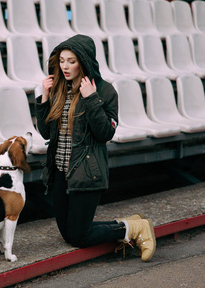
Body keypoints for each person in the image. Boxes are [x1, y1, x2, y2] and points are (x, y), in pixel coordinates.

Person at [36, 34, 156, 262]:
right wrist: (45, 97)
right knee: (68, 235)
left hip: (86, 173)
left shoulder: (104, 91)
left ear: (84, 60)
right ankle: (131, 224)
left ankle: (135, 228)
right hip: (61, 172)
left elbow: (105, 134)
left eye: (71, 61)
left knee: (79, 236)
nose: (65, 66)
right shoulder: (60, 89)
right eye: (62, 60)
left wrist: (91, 99)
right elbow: (45, 133)